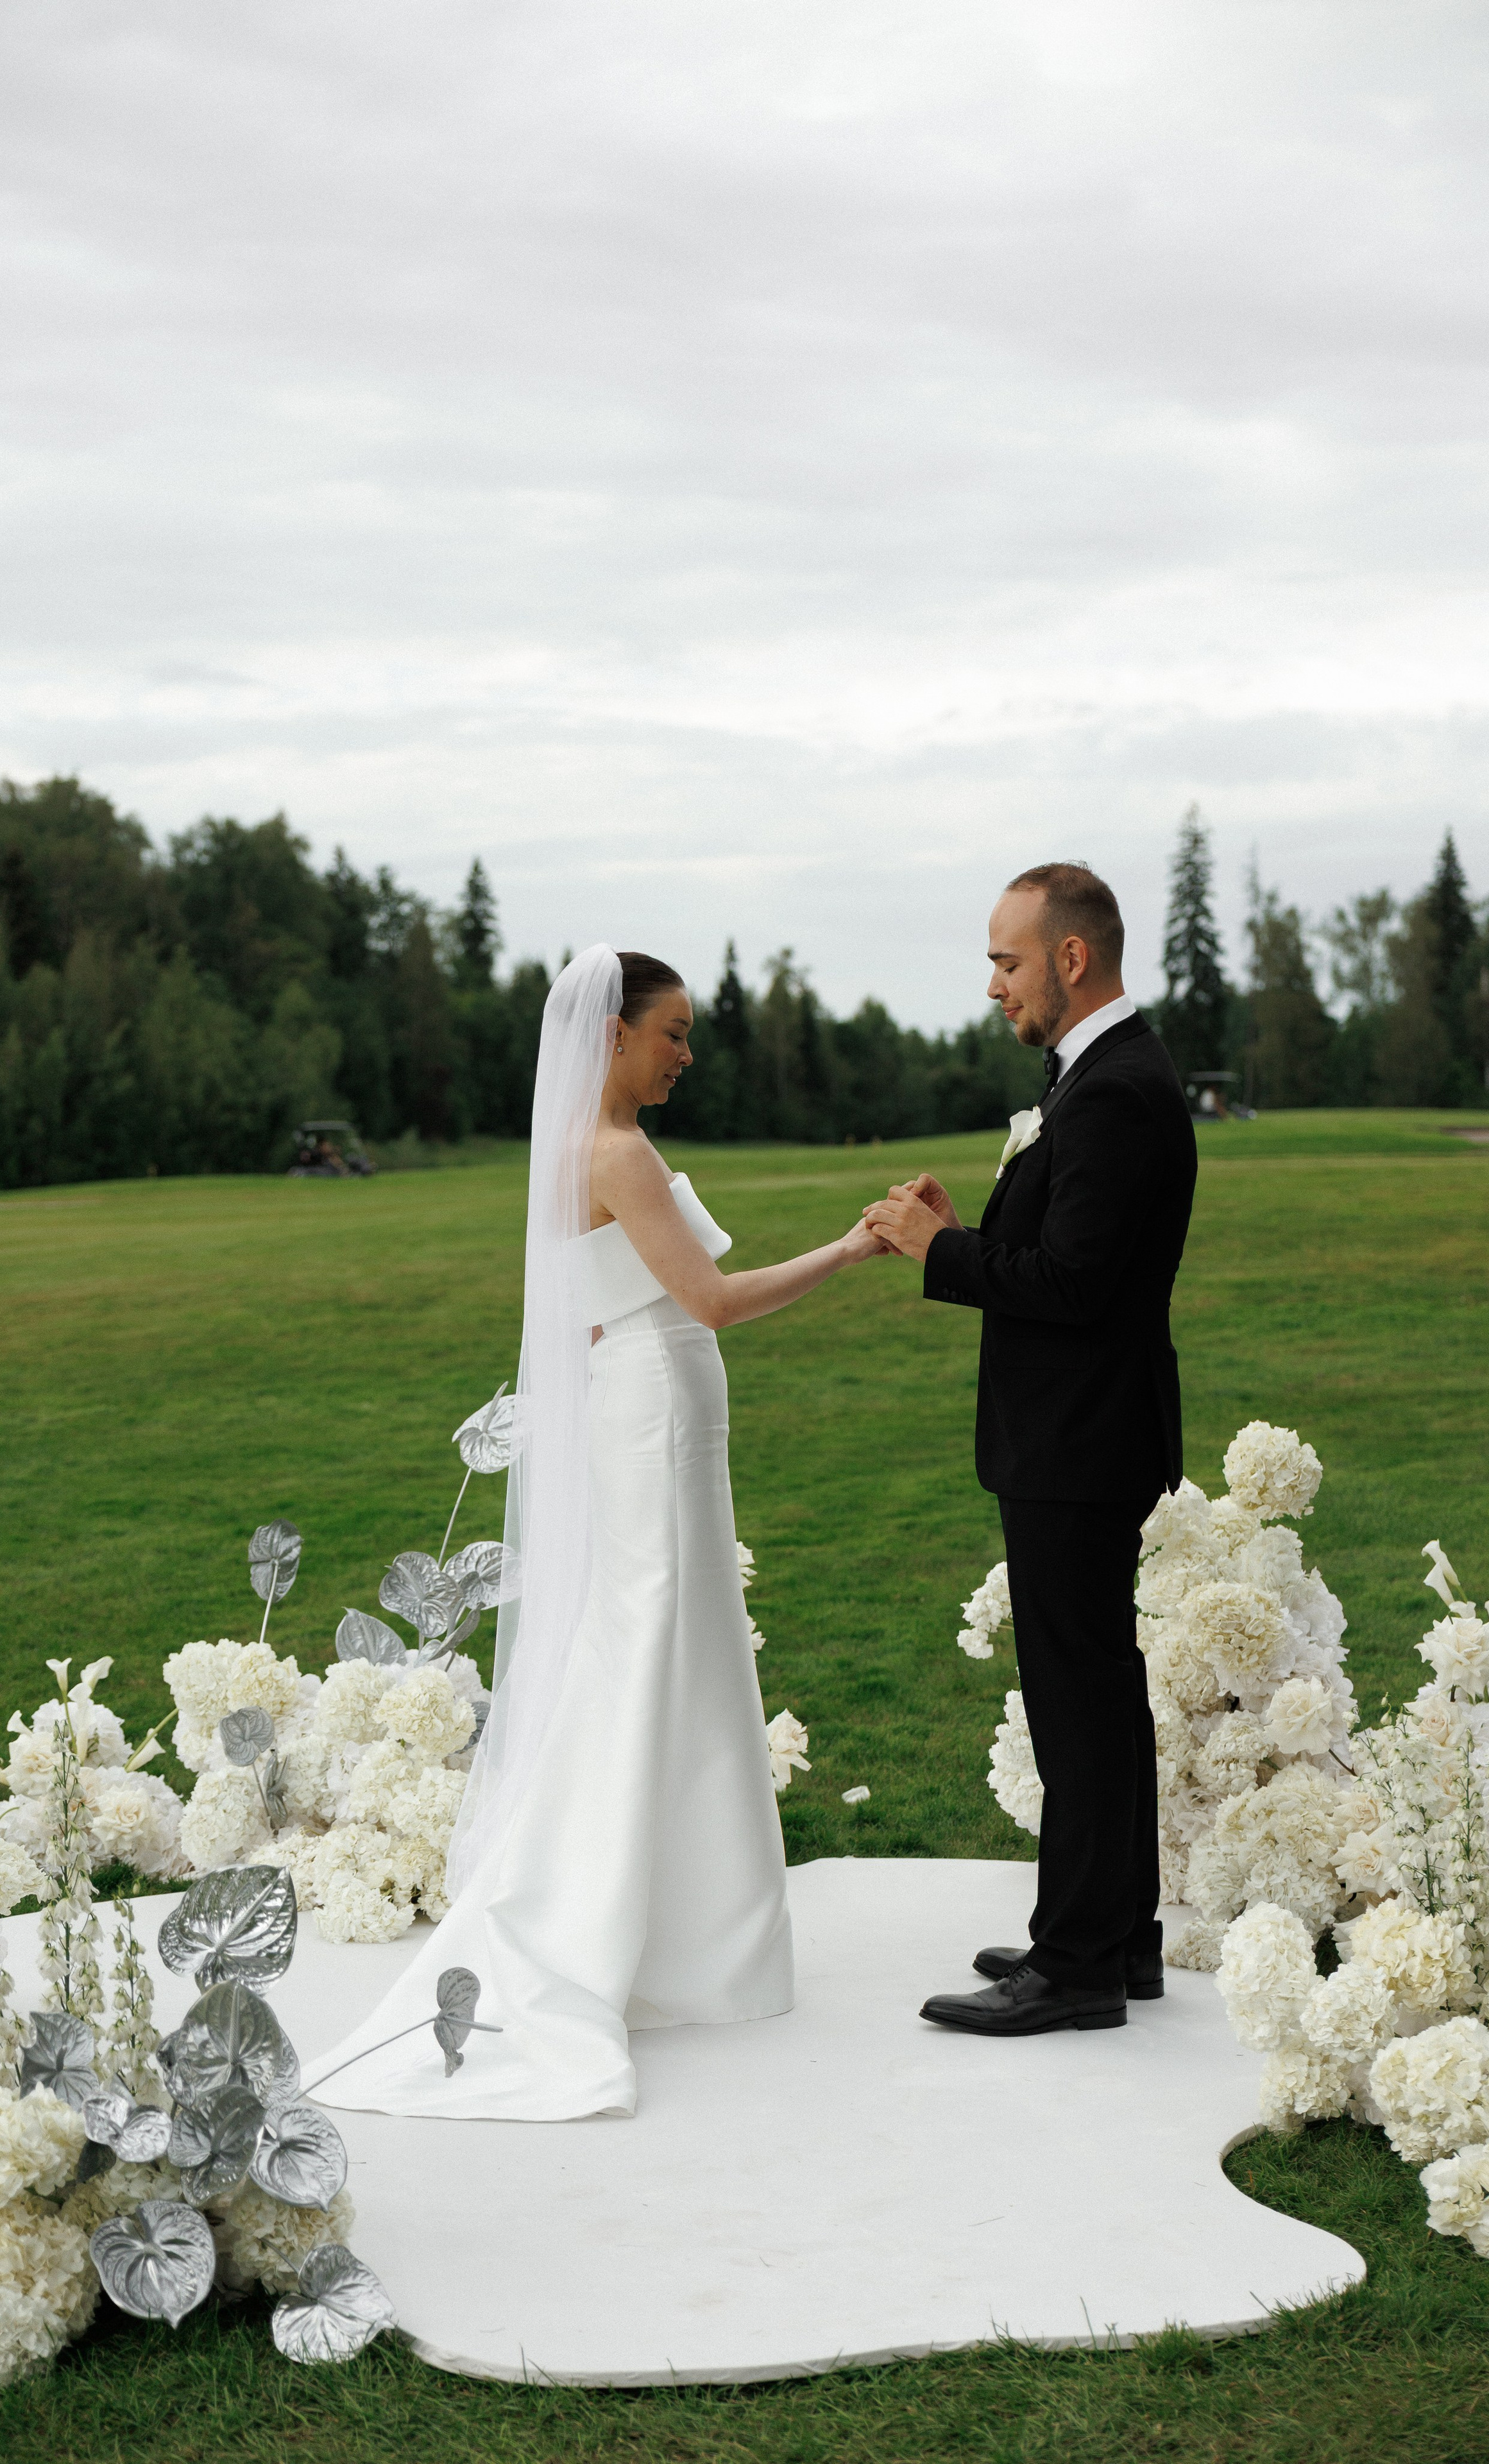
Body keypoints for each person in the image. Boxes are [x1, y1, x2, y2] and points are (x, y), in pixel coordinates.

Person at [309, 943, 886, 2121]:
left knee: (664, 1644)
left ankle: (676, 1927)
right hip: (657, 1417)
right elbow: (714, 1302)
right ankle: (606, 1920)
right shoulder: (616, 1153)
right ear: (612, 1034)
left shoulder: (595, 1149)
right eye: (672, 1032)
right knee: (651, 1645)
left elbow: (584, 1322)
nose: (686, 1054)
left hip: (650, 1407)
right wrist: (857, 1248)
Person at [865, 864, 1196, 2037]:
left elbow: (1075, 1283)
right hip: (1085, 1432)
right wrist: (968, 1231)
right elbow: (1068, 1247)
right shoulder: (1104, 1075)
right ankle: (1117, 1937)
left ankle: (1078, 1968)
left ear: (1070, 958)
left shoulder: (1112, 1090)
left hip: (1078, 1440)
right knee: (1095, 1693)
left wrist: (933, 1254)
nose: (993, 984)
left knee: (1081, 1702)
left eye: (1008, 960)